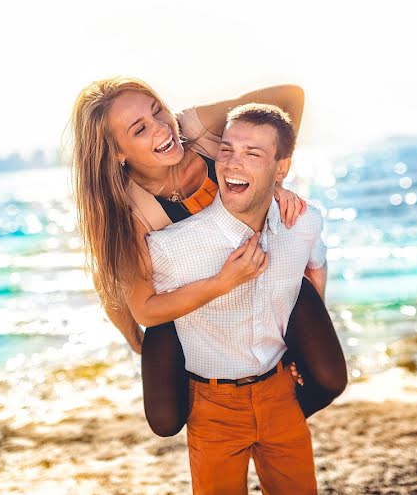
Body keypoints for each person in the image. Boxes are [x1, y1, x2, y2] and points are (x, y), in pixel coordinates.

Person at [68, 77, 346, 437]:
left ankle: (262, 421)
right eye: (140, 129)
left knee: (328, 380)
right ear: (117, 152)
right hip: (189, 305)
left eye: (158, 110)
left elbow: (290, 98)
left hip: (261, 276)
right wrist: (137, 342)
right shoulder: (125, 208)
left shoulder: (197, 130)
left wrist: (269, 181)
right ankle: (230, 419)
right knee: (166, 421)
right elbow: (137, 304)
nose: (162, 128)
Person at [147, 103, 322, 493]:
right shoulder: (171, 250)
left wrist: (303, 350)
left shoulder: (303, 223)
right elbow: (133, 300)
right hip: (211, 405)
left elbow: (316, 265)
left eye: (252, 153)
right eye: (226, 149)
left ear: (281, 170)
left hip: (281, 392)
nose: (232, 163)